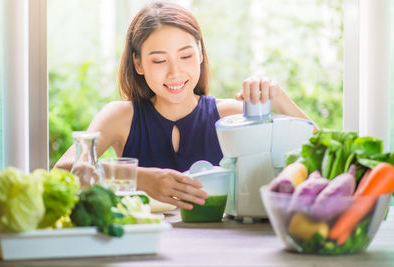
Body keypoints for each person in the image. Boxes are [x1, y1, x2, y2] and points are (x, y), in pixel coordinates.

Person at [55, 1, 316, 210]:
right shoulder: (120, 117)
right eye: (159, 61)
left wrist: (279, 98)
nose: (175, 72)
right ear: (138, 64)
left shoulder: (230, 116)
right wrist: (141, 179)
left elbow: (321, 154)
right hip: (143, 247)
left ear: (201, 53)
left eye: (186, 56)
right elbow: (62, 172)